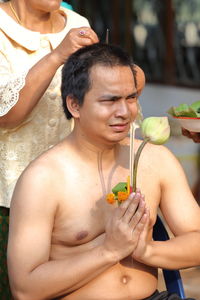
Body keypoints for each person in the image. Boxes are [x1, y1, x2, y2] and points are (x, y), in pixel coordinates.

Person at [7, 43, 200, 300]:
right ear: (74, 105)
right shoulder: (43, 179)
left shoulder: (154, 159)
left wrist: (146, 250)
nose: (124, 112)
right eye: (110, 100)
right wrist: (109, 250)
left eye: (131, 98)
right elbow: (25, 289)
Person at [0, 0, 99, 298]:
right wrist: (56, 56)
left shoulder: (76, 22)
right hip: (7, 201)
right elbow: (6, 115)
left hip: (73, 200)